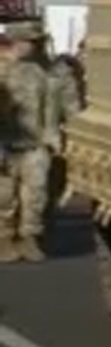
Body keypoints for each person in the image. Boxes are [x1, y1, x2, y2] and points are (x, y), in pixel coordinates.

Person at [0, 21, 54, 263]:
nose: (33, 46)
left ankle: (30, 239)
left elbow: (49, 106)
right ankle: (4, 241)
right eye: (29, 42)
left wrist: (51, 136)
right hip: (5, 144)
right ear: (17, 42)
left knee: (36, 194)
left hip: (34, 144)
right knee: (4, 197)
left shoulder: (37, 72)